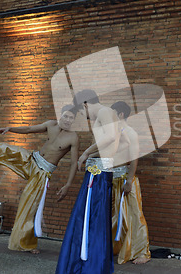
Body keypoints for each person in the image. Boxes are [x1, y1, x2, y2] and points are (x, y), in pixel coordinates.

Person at [0, 105, 79, 254]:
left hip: (42, 173)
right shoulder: (51, 124)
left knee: (29, 208)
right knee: (4, 149)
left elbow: (74, 163)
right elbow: (29, 130)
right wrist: (10, 128)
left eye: (71, 118)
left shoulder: (73, 137)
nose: (67, 120)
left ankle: (25, 244)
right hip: (31, 159)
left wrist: (68, 185)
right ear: (60, 116)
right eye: (65, 116)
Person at [56, 90, 120, 274]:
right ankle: (90, 264)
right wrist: (89, 155)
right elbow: (109, 146)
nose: (85, 117)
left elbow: (110, 138)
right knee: (92, 219)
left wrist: (85, 153)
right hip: (99, 171)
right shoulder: (107, 114)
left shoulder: (104, 112)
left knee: (91, 219)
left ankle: (88, 266)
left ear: (85, 104)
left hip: (98, 174)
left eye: (82, 113)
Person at [110, 101, 151, 265]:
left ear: (120, 114)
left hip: (127, 179)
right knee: (117, 215)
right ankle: (120, 247)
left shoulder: (131, 133)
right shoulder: (113, 132)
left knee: (134, 215)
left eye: (112, 113)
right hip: (113, 179)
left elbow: (134, 159)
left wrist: (129, 180)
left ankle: (142, 252)